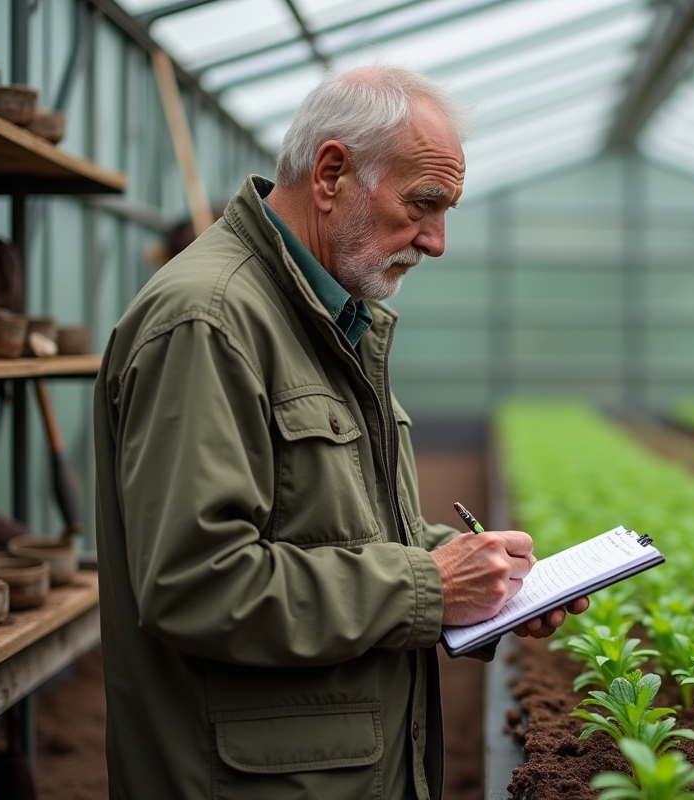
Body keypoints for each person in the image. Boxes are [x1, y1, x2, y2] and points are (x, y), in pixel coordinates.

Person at [93, 66, 587, 800]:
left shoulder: (329, 315)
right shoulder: (209, 322)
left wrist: (477, 575)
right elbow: (196, 584)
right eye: (425, 204)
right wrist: (429, 584)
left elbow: (326, 524)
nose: (438, 240)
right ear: (331, 174)